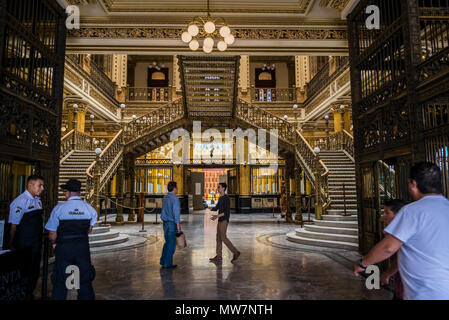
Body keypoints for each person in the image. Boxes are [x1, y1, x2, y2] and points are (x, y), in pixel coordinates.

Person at [353, 162, 449, 300]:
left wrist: (363, 263)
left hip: (425, 292)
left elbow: (388, 247)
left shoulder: (413, 211)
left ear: (413, 184)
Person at [45, 179, 97, 300]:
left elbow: (52, 232)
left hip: (64, 247)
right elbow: (89, 229)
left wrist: (54, 244)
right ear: (79, 192)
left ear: (68, 193)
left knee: (61, 280)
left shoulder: (59, 208)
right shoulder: (89, 209)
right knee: (84, 278)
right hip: (82, 248)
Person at [8, 174, 45, 299]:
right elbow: (13, 226)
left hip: (36, 244)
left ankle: (30, 294)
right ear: (30, 185)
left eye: (42, 185)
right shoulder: (19, 202)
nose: (42, 188)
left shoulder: (38, 200)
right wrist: (11, 244)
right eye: (40, 185)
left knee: (35, 272)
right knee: (24, 273)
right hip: (24, 245)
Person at [380, 199, 406, 300]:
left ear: (398, 215)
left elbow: (401, 258)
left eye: (387, 212)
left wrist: (387, 274)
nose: (383, 215)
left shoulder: (399, 232)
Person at [209, 182, 240, 263]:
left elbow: (226, 212)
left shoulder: (226, 198)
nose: (218, 188)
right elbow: (216, 208)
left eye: (219, 187)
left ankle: (235, 252)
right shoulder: (220, 198)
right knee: (218, 238)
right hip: (220, 220)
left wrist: (216, 216)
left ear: (223, 188)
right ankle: (219, 256)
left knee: (223, 237)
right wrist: (210, 208)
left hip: (224, 220)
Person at [160, 181, 181, 269]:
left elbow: (163, 211)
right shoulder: (175, 198)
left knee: (167, 242)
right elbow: (176, 213)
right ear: (174, 188)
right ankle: (167, 264)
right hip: (172, 224)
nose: (177, 189)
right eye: (176, 187)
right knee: (171, 244)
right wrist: (178, 225)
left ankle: (163, 260)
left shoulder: (165, 197)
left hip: (165, 223)